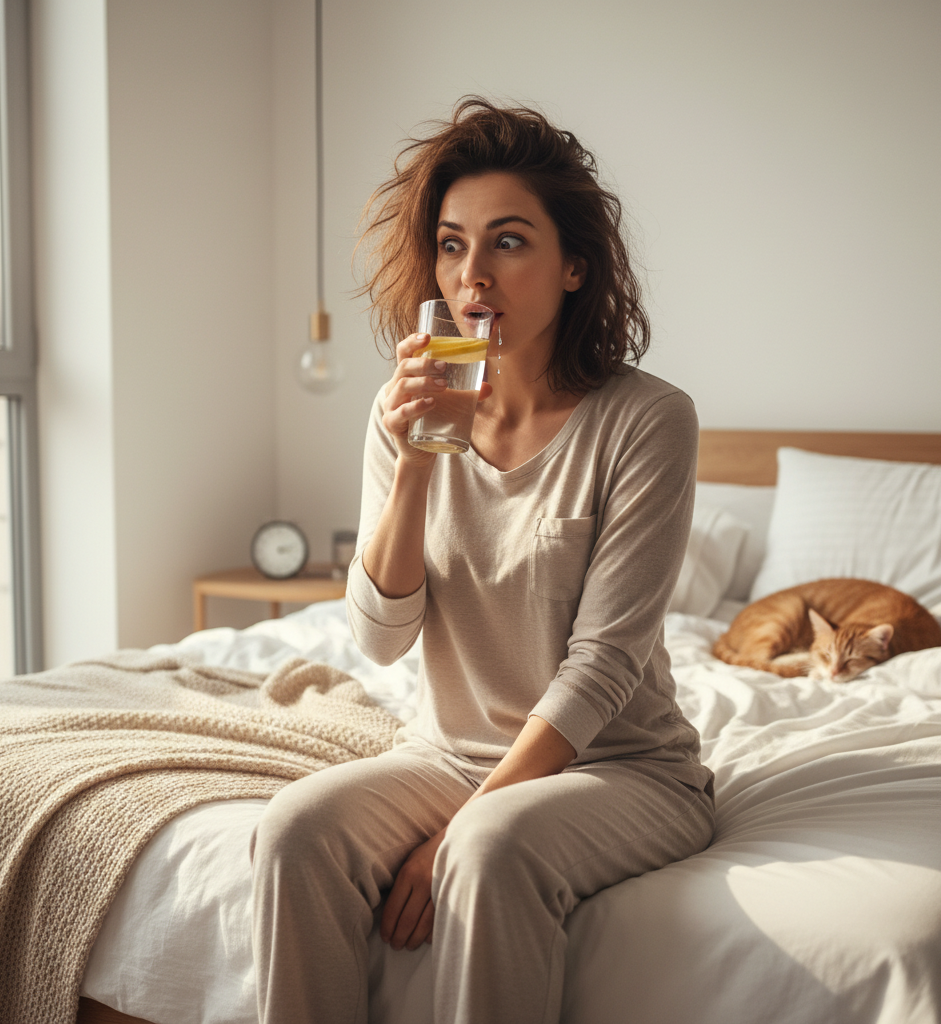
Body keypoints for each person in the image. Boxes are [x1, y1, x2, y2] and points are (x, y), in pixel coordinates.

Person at [251, 97, 715, 1024]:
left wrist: (462, 826)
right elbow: (380, 640)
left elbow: (604, 665)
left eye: (508, 241)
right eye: (452, 245)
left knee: (490, 850)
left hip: (621, 768)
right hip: (447, 752)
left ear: (574, 265)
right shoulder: (405, 407)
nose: (474, 275)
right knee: (293, 831)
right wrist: (417, 458)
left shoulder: (648, 420)